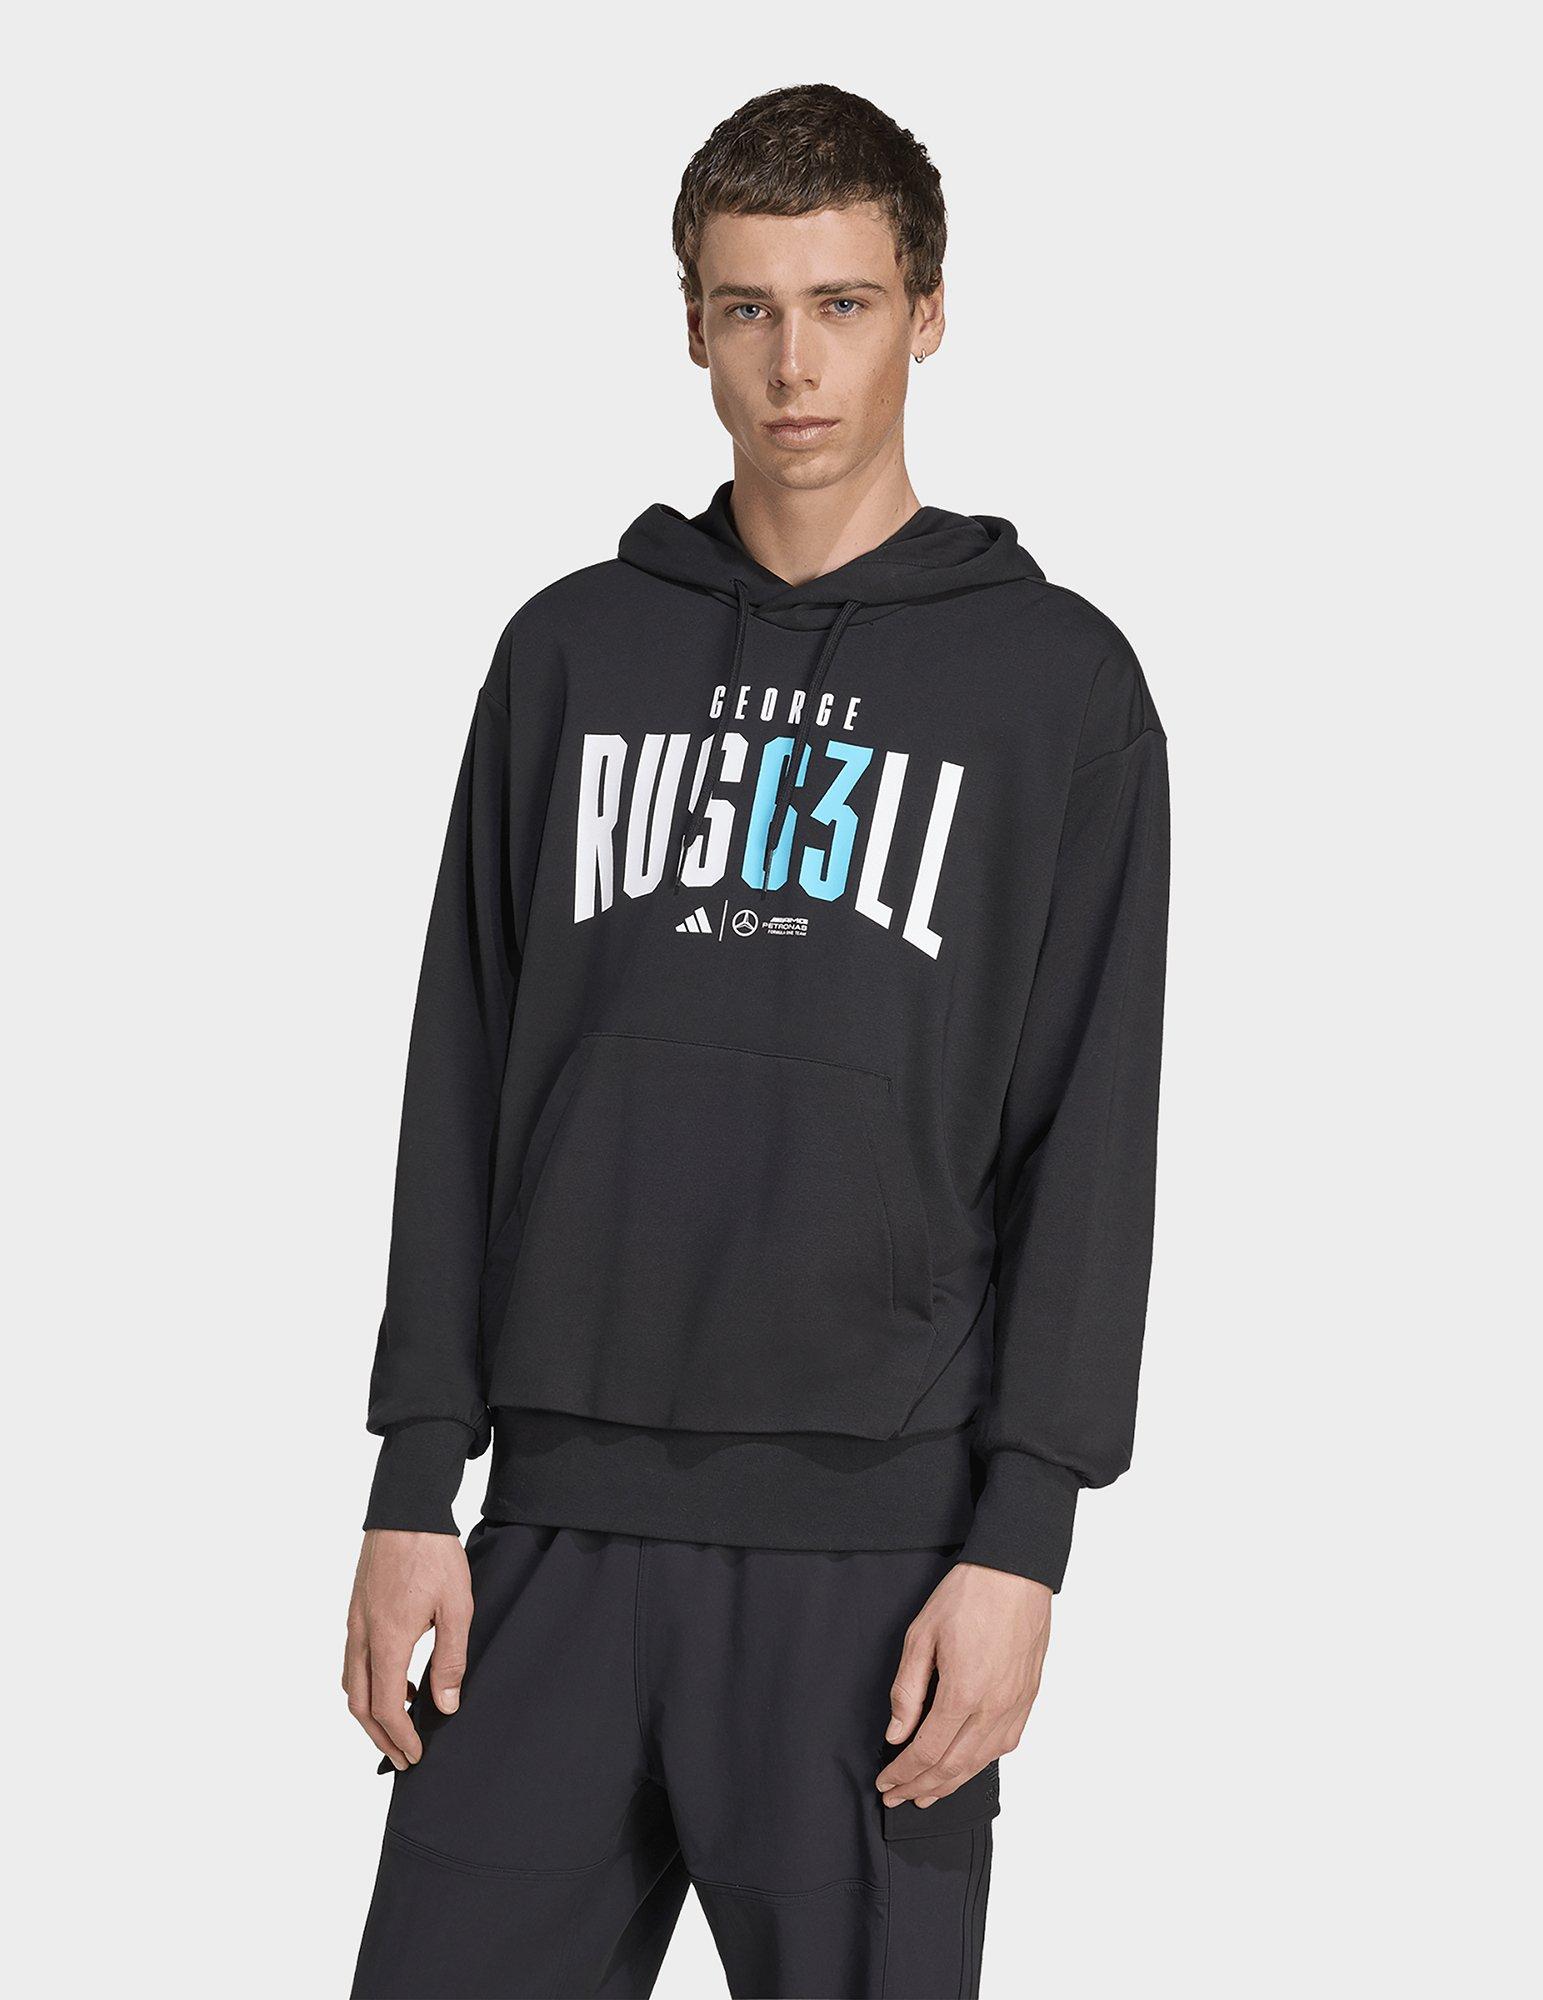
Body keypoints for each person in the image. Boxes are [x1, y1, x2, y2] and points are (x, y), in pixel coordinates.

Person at [346, 81, 1170, 2000]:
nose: (795, 365)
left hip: (878, 1562)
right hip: (547, 1537)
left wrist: (1026, 1540)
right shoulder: (572, 653)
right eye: (749, 309)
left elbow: (1091, 1133)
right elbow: (460, 1076)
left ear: (928, 312)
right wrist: (411, 1479)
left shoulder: (1056, 685)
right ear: (694, 324)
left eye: (844, 304)